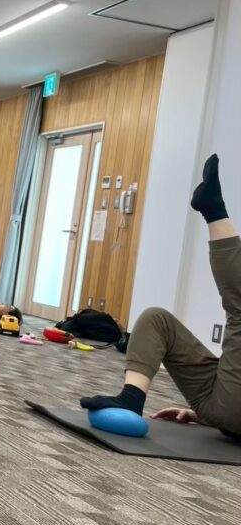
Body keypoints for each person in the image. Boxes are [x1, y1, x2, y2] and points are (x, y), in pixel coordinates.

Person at [81, 154, 241, 436]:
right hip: (218, 399)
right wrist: (207, 413)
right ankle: (131, 398)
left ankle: (214, 209)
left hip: (229, 406)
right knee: (156, 320)